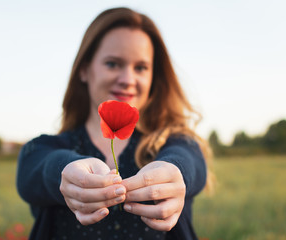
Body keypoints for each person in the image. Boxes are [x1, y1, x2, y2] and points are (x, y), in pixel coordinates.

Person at [17, 7, 213, 240]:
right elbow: (35, 168)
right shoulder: (45, 149)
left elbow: (189, 161)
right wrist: (65, 173)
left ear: (153, 77)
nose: (128, 80)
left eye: (140, 68)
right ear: (84, 70)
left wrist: (176, 171)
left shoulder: (174, 144)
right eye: (113, 64)